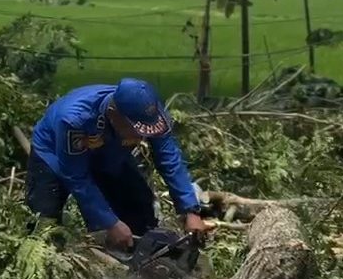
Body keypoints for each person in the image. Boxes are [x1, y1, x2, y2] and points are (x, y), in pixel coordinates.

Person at [25, 78, 207, 249]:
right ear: (114, 114)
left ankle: (138, 257)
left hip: (109, 152)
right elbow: (76, 177)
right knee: (45, 222)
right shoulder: (76, 120)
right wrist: (109, 222)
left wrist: (190, 209)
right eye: (136, 130)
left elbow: (169, 157)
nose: (141, 137)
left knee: (139, 205)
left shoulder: (149, 111)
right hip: (55, 154)